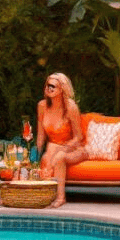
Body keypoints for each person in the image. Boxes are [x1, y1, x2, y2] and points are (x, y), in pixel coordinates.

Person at [36, 72, 87, 208]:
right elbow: (41, 136)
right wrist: (34, 155)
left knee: (58, 156)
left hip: (75, 148)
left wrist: (62, 148)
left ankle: (60, 198)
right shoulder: (42, 106)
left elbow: (79, 137)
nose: (49, 88)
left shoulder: (71, 107)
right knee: (45, 159)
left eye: (53, 86)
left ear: (62, 89)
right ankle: (40, 196)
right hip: (53, 146)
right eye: (47, 85)